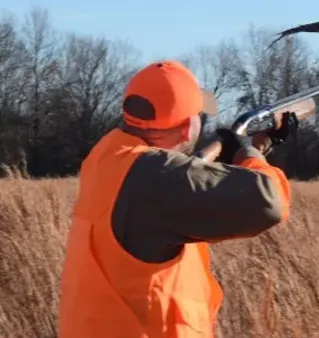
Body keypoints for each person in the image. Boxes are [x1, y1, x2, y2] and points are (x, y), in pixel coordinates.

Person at [57, 59, 297, 338]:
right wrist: (248, 154)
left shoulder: (108, 156)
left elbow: (190, 195)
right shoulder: (155, 177)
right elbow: (268, 201)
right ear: (186, 128)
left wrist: (258, 146)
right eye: (199, 115)